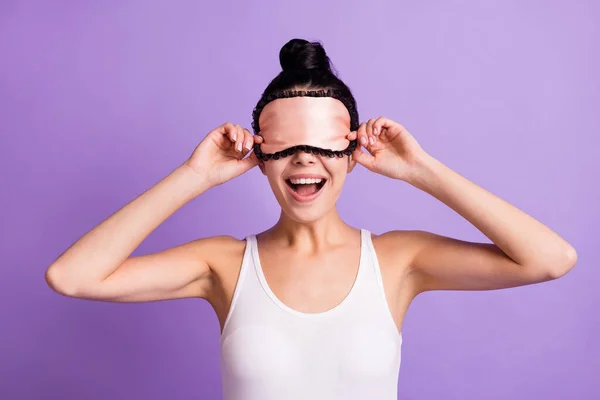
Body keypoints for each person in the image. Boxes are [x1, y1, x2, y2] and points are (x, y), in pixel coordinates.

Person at [45, 38, 578, 400]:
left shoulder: (399, 260)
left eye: (322, 147)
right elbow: (72, 276)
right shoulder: (222, 264)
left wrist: (422, 170)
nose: (304, 160)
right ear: (261, 157)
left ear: (350, 155)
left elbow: (551, 259)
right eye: (287, 147)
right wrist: (195, 175)